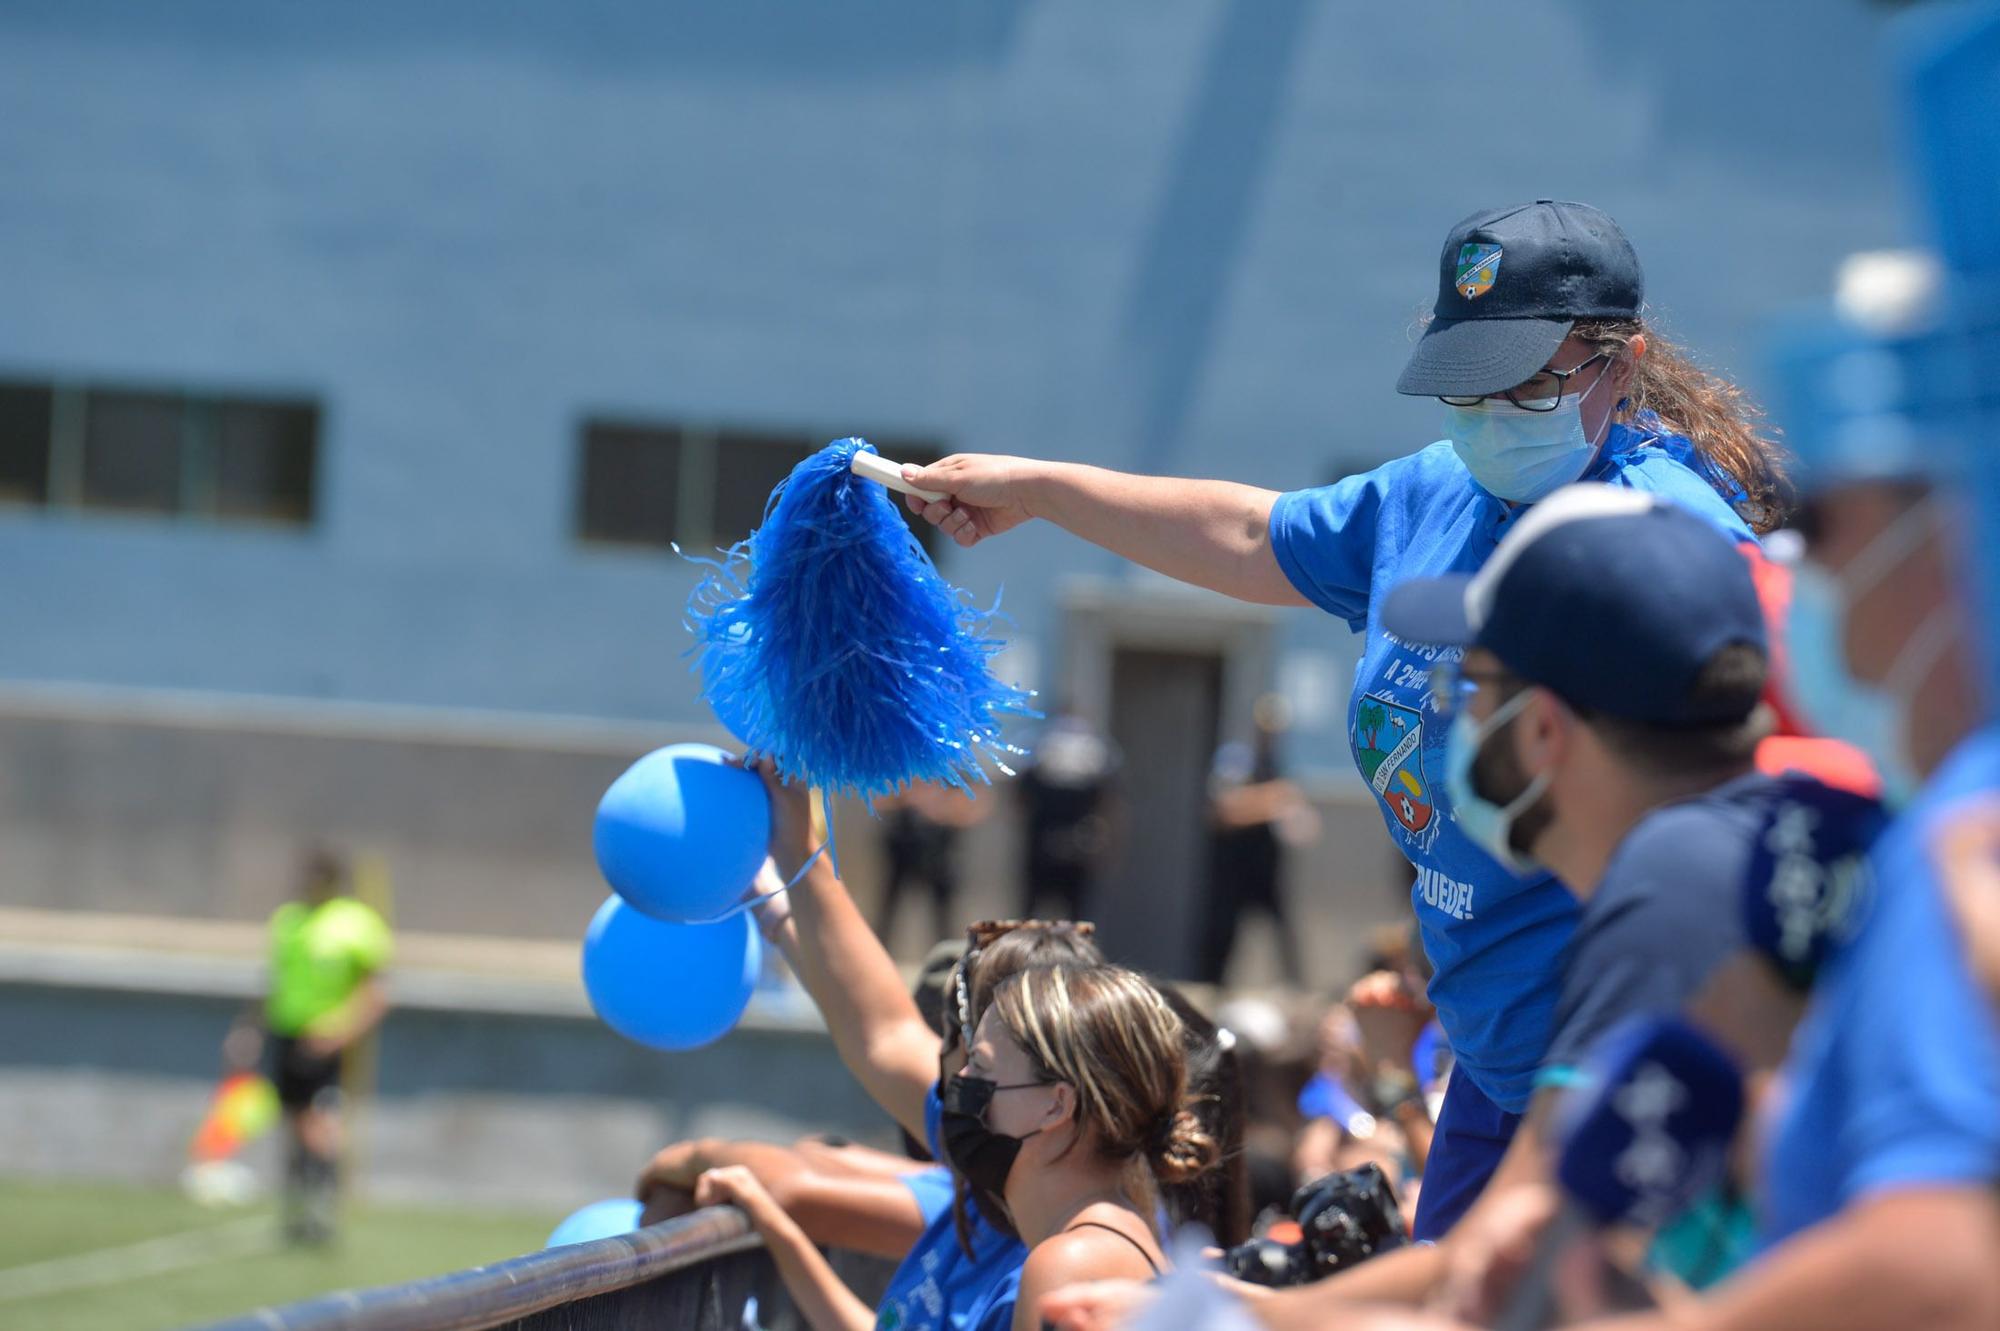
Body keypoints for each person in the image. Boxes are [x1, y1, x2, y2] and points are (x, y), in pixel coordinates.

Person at [899, 200, 1788, 1238]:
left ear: (1618, 364)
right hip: (1487, 1061)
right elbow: (1247, 533)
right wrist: (1042, 490)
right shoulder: (1433, 493)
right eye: (1467, 382)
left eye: (1529, 381)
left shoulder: (1673, 545)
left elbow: (1746, 817)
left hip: (1621, 1061)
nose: (1493, 409)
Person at [251, 847, 391, 1244]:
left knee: (322, 1122)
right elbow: (274, 980)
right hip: (287, 1032)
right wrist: (252, 1027)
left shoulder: (356, 925)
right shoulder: (289, 920)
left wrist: (340, 1032)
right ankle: (297, 1203)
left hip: (327, 1038)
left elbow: (375, 990)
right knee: (292, 1120)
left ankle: (324, 1203)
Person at [1197, 694, 1317, 986]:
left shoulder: (1278, 765)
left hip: (1265, 862)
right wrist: (1272, 800)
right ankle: (1210, 986)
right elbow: (1224, 809)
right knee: (1222, 933)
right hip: (1233, 863)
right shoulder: (1237, 759)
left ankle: (1295, 990)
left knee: (1283, 932)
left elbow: (1297, 815)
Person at [1017, 708, 1122, 921]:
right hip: (1063, 841)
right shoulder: (1096, 748)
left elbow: (1020, 796)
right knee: (1075, 917)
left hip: (1060, 841)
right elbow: (1109, 801)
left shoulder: (1040, 743)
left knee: (1036, 914)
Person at [875, 782, 991, 951]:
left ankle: (948, 961)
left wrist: (939, 807)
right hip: (902, 851)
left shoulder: (955, 772)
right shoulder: (901, 767)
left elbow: (977, 805)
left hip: (939, 855)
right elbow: (877, 799)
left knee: (943, 919)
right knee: (888, 915)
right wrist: (908, 798)